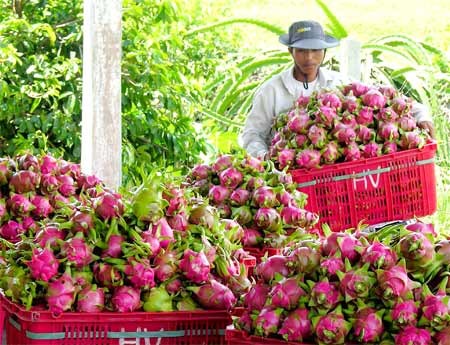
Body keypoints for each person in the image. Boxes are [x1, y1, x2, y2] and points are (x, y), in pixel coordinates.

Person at [238, 20, 436, 159]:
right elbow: (252, 134)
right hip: (290, 176)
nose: (309, 58)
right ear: (290, 51)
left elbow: (382, 96)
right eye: (302, 51)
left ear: (324, 52)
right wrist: (265, 157)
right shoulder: (271, 91)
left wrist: (421, 114)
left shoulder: (340, 83)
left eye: (316, 50)